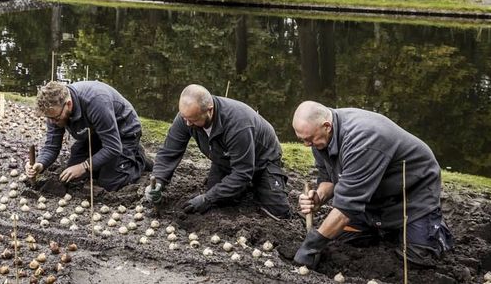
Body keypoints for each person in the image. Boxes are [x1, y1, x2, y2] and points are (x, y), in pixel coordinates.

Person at [291, 101, 454, 267]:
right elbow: (328, 178)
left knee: (416, 260)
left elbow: (346, 208)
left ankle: (434, 229)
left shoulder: (362, 139)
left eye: (309, 139)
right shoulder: (320, 136)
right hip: (373, 195)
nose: (307, 145)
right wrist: (319, 196)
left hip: (411, 194)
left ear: (327, 126)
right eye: (303, 140)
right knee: (340, 240)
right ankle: (382, 228)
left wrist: (311, 246)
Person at [143, 85, 290, 218]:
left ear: (210, 110)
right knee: (219, 199)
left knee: (278, 212)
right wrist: (158, 181)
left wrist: (206, 198)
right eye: (184, 118)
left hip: (263, 159)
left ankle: (257, 184)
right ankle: (241, 187)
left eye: (192, 120)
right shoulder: (186, 117)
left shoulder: (238, 124)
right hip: (224, 157)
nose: (187, 123)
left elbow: (242, 173)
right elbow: (169, 151)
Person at [25, 80, 150, 192]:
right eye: (49, 118)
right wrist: (40, 164)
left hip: (123, 133)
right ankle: (111, 161)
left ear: (68, 104)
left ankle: (138, 158)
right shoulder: (54, 111)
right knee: (74, 175)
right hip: (95, 133)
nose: (52, 122)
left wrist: (84, 166)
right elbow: (52, 146)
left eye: (56, 118)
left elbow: (113, 147)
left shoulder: (96, 101)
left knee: (111, 183)